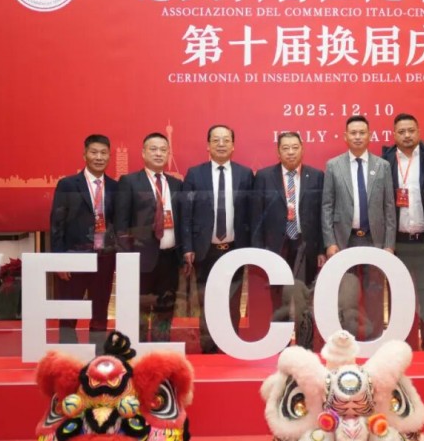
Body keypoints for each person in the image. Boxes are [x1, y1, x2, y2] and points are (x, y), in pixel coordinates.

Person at [322, 115, 396, 340]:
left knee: (375, 294)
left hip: (374, 240)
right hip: (345, 240)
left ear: (369, 136)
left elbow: (389, 207)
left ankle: (374, 339)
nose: (357, 137)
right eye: (353, 133)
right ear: (345, 136)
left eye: (362, 133)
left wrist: (389, 245)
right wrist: (330, 242)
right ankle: (347, 340)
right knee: (346, 294)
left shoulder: (382, 166)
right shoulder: (333, 166)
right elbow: (327, 206)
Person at [181, 124, 253, 353]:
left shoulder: (245, 174)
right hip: (205, 249)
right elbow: (186, 214)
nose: (221, 144)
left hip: (234, 248)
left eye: (226, 140)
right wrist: (187, 247)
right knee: (206, 300)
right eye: (216, 140)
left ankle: (230, 346)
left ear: (233, 145)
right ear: (208, 145)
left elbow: (251, 214)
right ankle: (209, 347)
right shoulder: (195, 174)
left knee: (233, 300)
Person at [381, 113, 424, 350]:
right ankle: (400, 347)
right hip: (398, 243)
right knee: (398, 295)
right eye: (401, 132)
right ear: (394, 134)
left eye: (411, 130)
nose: (407, 135)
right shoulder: (385, 162)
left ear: (419, 131)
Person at [252, 131, 324, 348]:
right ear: (278, 152)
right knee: (279, 300)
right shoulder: (264, 176)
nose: (291, 152)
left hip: (305, 245)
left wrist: (321, 249)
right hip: (276, 247)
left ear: (302, 149)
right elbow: (256, 217)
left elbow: (322, 215)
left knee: (304, 298)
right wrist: (259, 252)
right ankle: (281, 347)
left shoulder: (316, 176)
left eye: (295, 147)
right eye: (285, 148)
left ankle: (304, 347)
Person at [50, 134, 117, 353]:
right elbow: (57, 224)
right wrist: (59, 260)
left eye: (103, 153)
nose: (99, 157)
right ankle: (68, 354)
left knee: (100, 309)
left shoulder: (116, 187)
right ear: (84, 155)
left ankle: (98, 353)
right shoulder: (68, 185)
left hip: (104, 258)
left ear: (109, 156)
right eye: (94, 152)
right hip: (74, 258)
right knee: (69, 310)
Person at [115, 132, 184, 343]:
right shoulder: (129, 182)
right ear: (143, 153)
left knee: (166, 307)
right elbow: (121, 224)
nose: (158, 154)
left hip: (169, 258)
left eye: (163, 150)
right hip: (140, 258)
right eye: (153, 149)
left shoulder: (176, 184)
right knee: (140, 307)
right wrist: (126, 258)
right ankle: (138, 346)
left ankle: (161, 346)